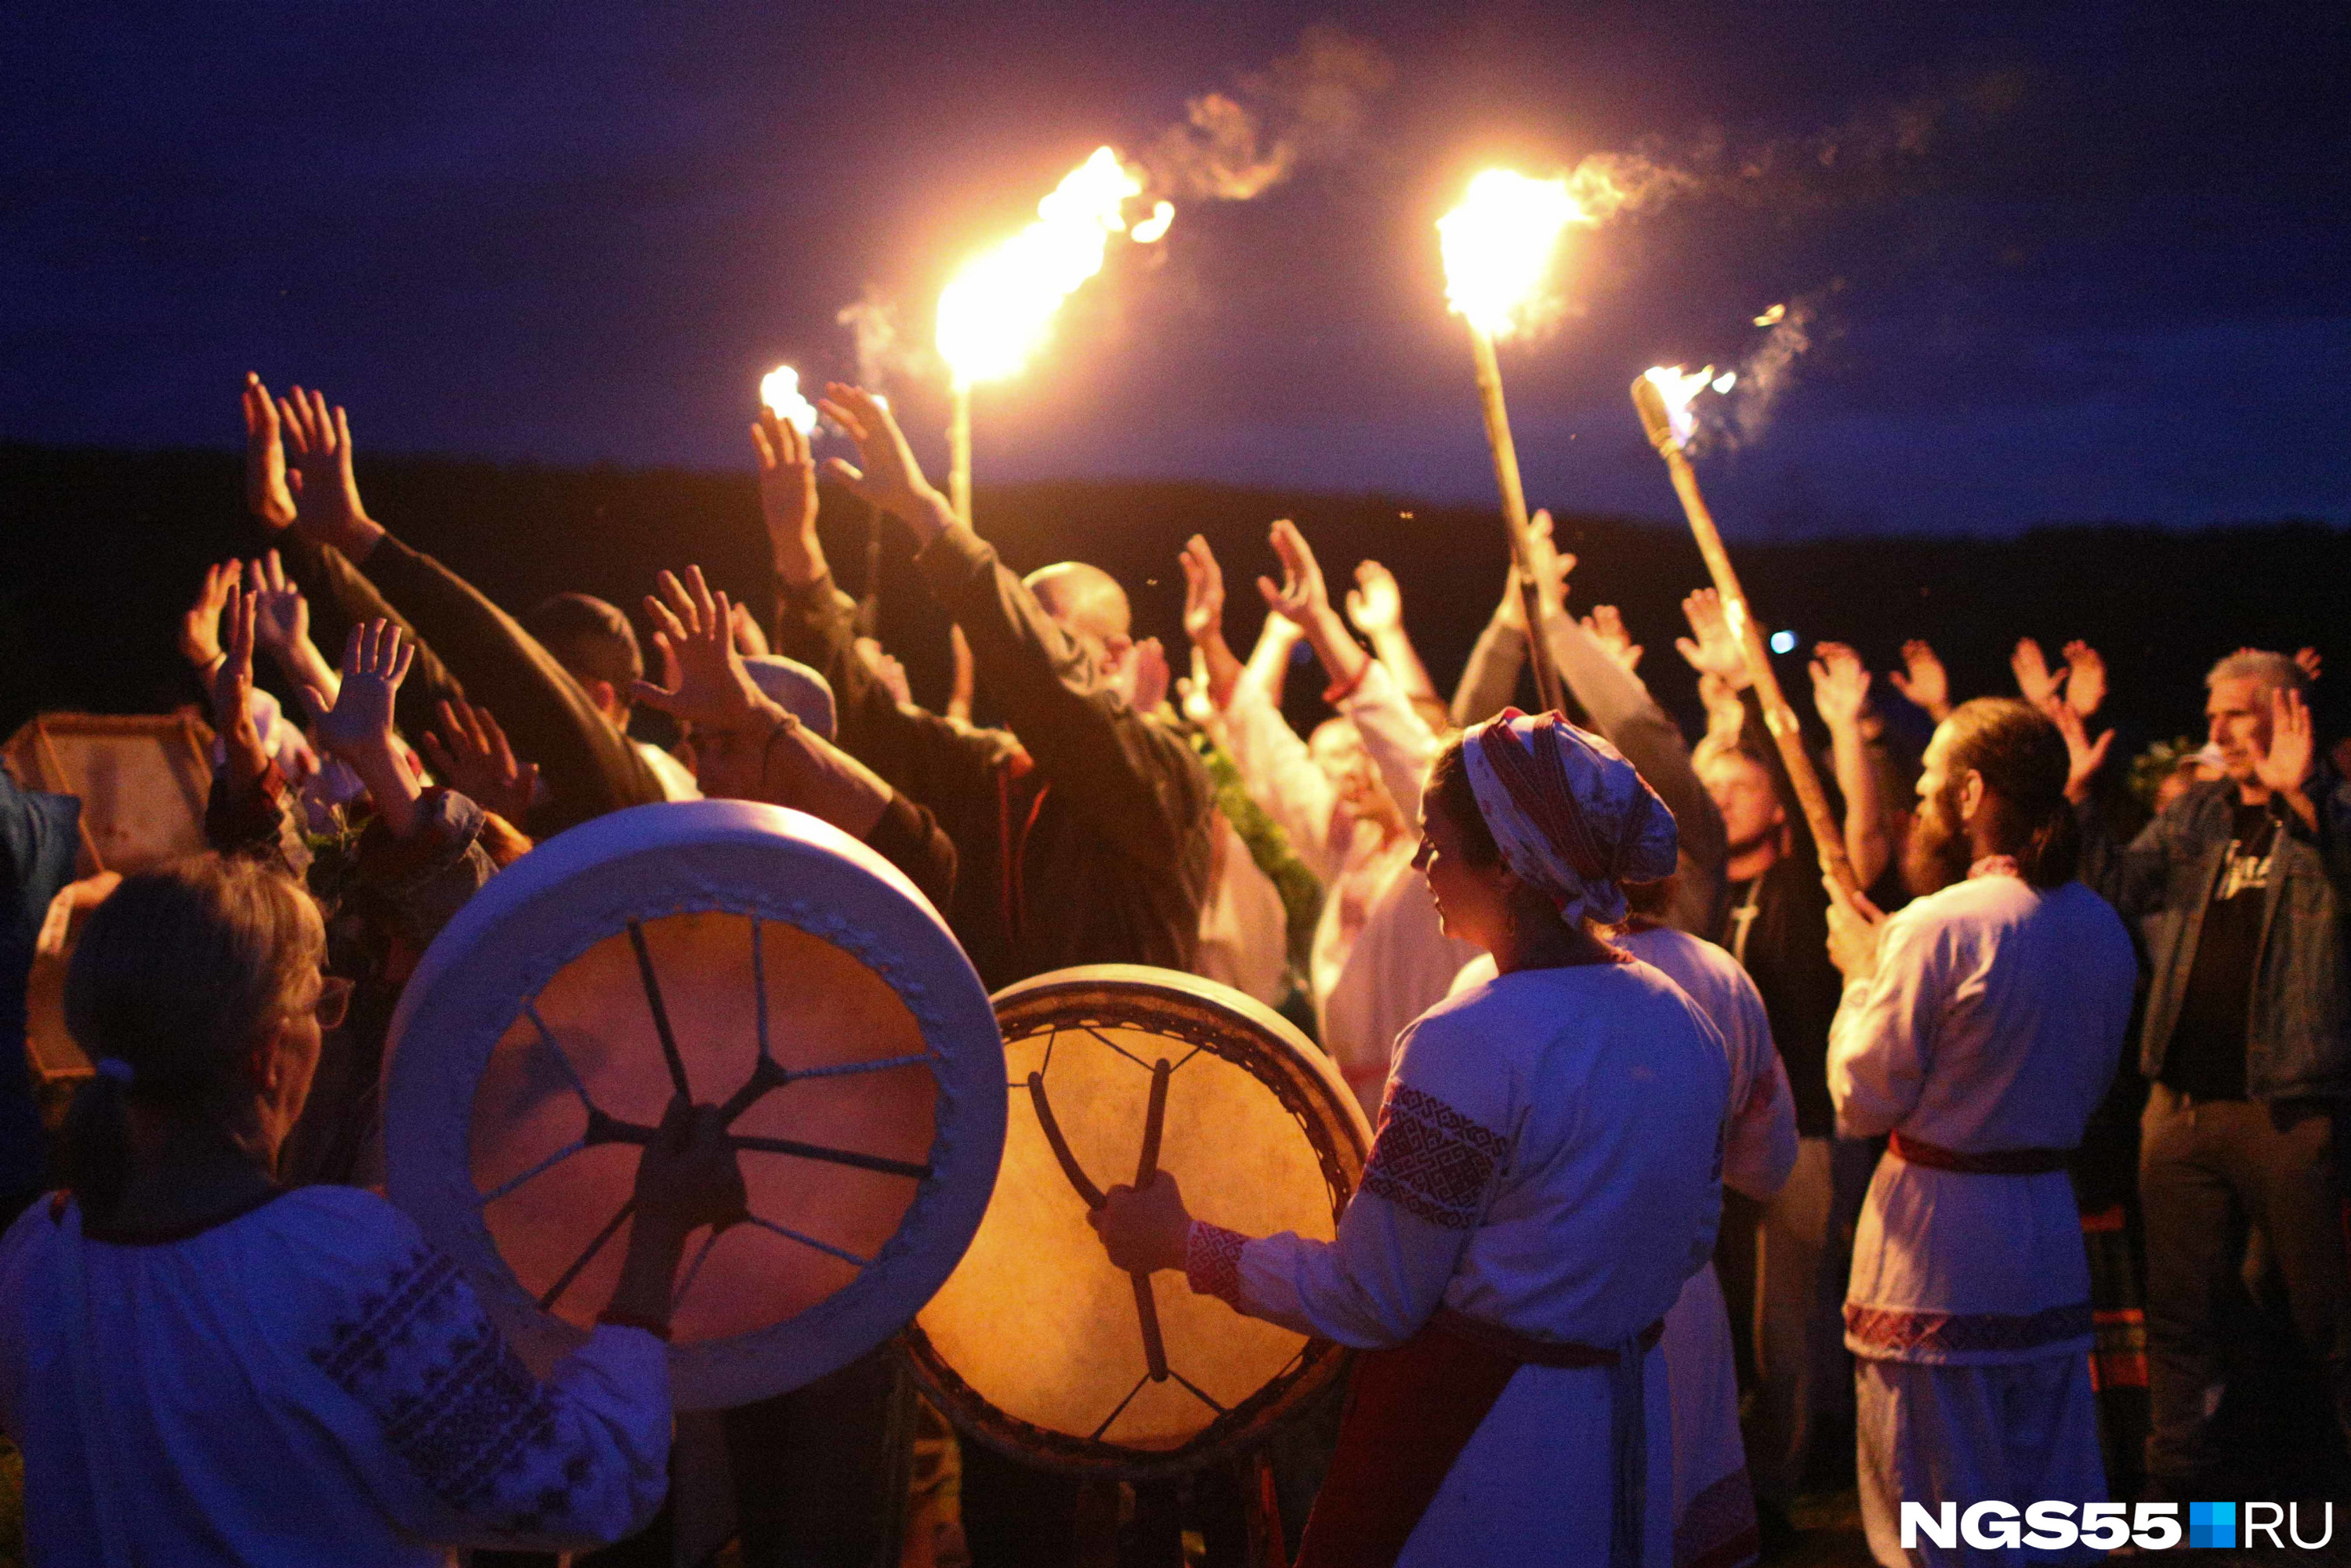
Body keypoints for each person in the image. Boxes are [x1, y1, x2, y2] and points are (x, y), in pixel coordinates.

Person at [1092, 710, 1728, 1566]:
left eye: (1438, 844)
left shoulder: (1468, 1041)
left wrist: (1183, 1244)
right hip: (1631, 1420)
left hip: (1487, 1442)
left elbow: (1374, 1297)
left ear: (1507, 865)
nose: (1421, 865)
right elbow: (1692, 1240)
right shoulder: (1683, 1021)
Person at [756, 394, 1213, 1566]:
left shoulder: (1155, 784)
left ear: (1108, 660)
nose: (1006, 658)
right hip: (998, 1173)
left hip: (1122, 1191)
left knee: (1104, 1493)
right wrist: (802, 564)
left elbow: (1053, 692)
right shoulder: (988, 779)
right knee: (1012, 1487)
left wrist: (924, 514)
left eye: (1043, 637)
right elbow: (863, 723)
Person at [0, 852, 748, 1564]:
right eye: (320, 1005)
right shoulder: (338, 1264)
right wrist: (657, 1238)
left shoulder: (37, 1254)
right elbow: (583, 1486)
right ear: (265, 1052)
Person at [1822, 698, 2137, 1568]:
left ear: (1968, 793)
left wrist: (1860, 974)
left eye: (1927, 787)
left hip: (1937, 1250)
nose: (1919, 805)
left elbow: (1862, 1096)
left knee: (1934, 1514)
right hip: (2043, 1232)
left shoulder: (1938, 926)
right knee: (2052, 1503)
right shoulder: (2100, 926)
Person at [2074, 649, 2351, 1498]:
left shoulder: (2330, 815)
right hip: (2182, 1105)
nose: (2217, 731)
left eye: (2236, 712)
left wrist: (2306, 800)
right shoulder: (2201, 813)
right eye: (2214, 713)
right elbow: (2116, 885)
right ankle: (2177, 1484)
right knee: (2180, 1309)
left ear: (2288, 714)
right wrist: (2079, 796)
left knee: (2323, 1312)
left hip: (2287, 1109)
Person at [1456, 878, 1798, 1568]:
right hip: (1678, 1285)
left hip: (1549, 1300)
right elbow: (1768, 1160)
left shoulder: (1487, 982)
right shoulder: (1716, 975)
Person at [1675, 588, 1890, 1525]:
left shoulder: (1808, 880)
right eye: (1713, 790)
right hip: (1708, 1142)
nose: (1722, 800)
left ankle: (1780, 1483)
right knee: (1715, 1319)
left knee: (1785, 1323)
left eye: (1739, 787)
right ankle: (1723, 1473)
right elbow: (1675, 797)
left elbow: (1852, 821)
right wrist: (1717, 702)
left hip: (1800, 1127)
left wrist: (1797, 708)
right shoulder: (1703, 895)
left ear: (1775, 802)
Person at [242, 376, 669, 833]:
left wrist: (360, 536)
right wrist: (294, 531)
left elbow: (510, 671)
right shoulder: (500, 775)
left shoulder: (642, 791)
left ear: (596, 699)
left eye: (550, 675)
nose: (502, 703)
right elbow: (410, 672)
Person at [1186, 524, 1474, 1117]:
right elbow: (1271, 752)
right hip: (1352, 1097)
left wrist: (1322, 622)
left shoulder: (1447, 848)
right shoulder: (1354, 843)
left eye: (1367, 754)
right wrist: (1211, 640)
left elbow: (1406, 741)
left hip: (1430, 1101)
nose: (1354, 770)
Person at [1453, 511, 1728, 937]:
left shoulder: (1688, 836)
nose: (1598, 775)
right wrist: (1511, 619)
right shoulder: (1547, 851)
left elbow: (1635, 726)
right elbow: (1460, 760)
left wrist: (1548, 616)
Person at [525, 591, 702, 802]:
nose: (524, 704)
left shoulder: (636, 787)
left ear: (599, 700)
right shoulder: (667, 775)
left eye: (540, 687)